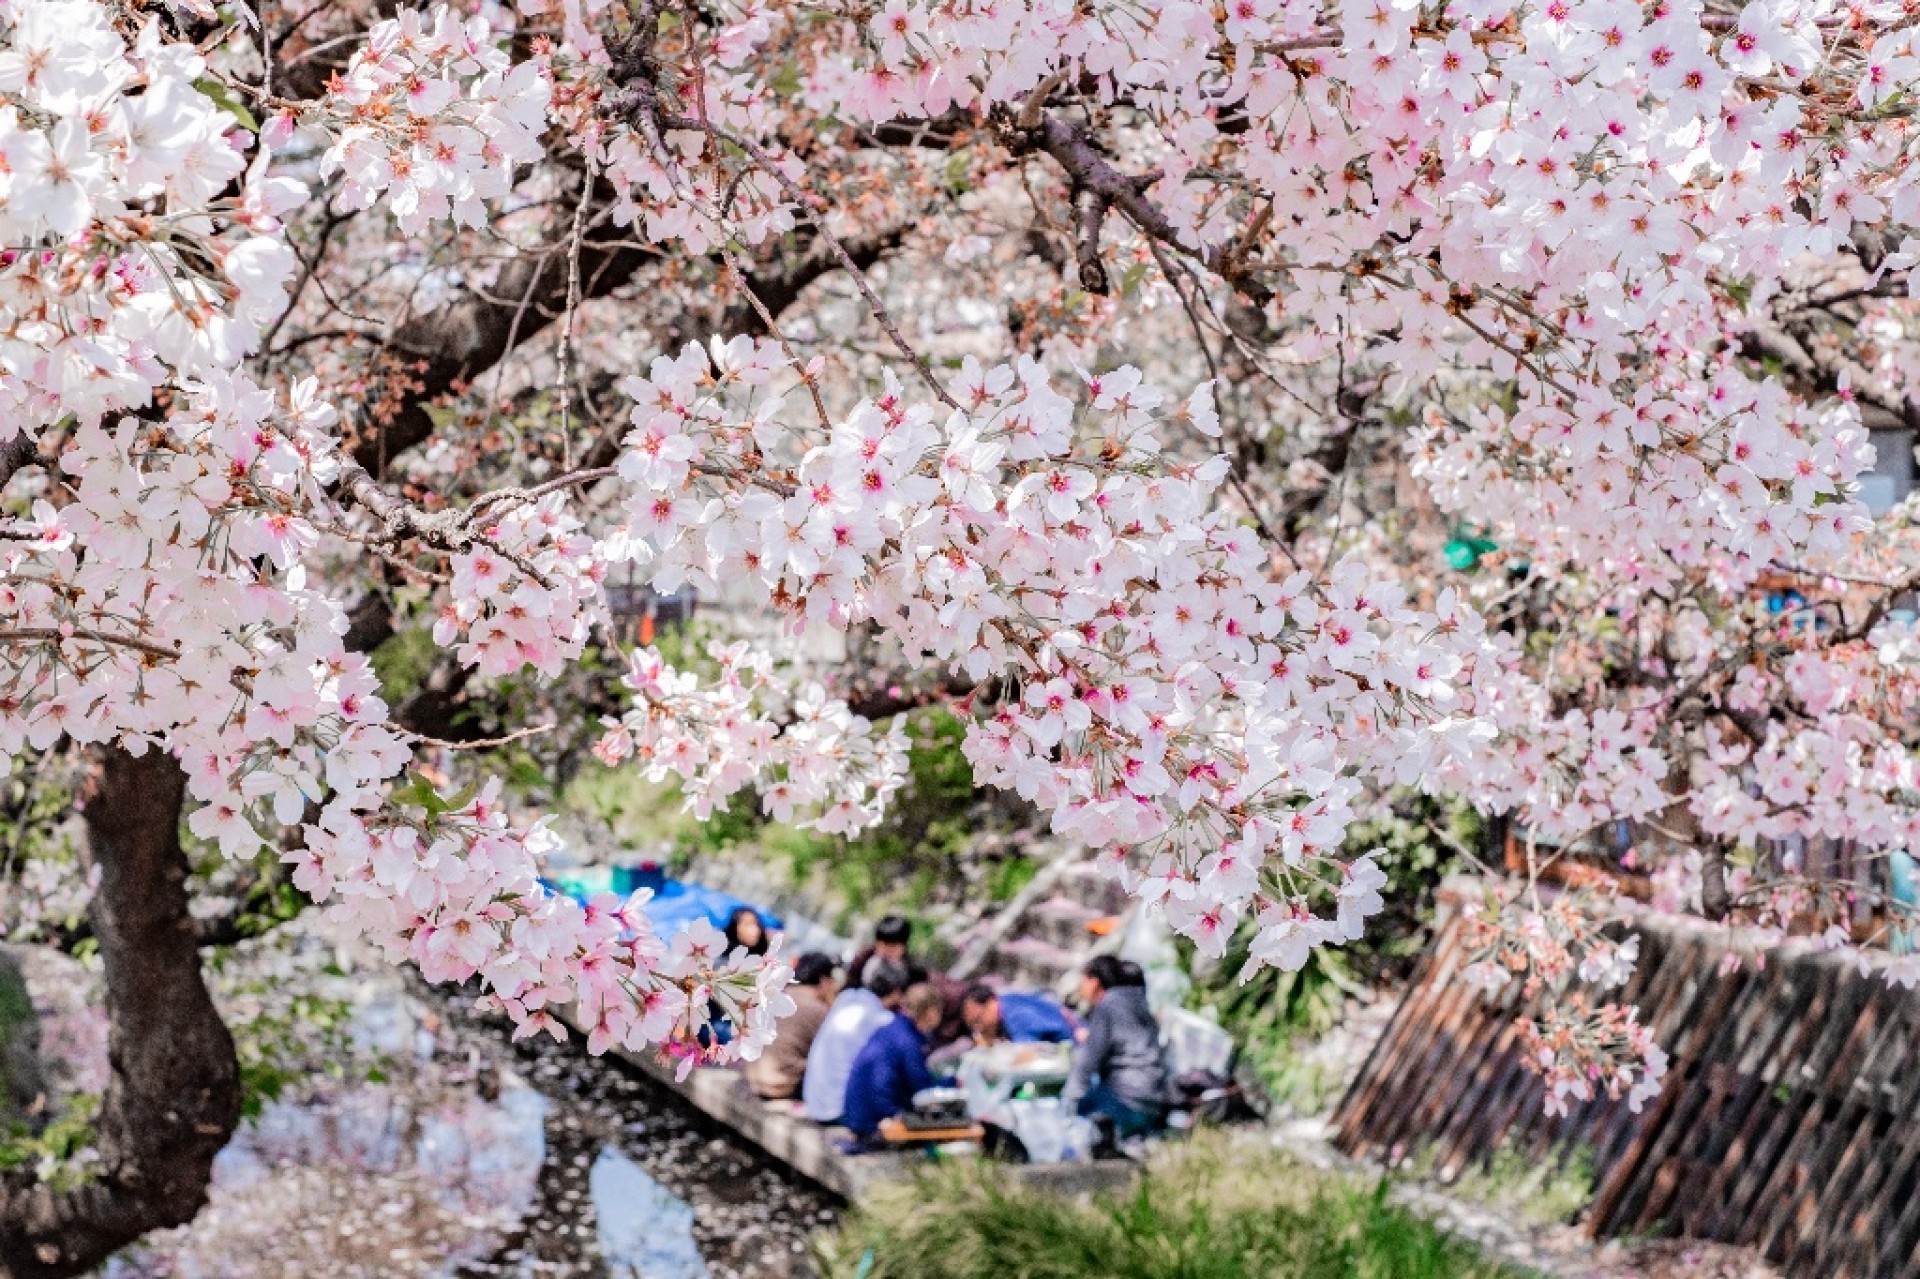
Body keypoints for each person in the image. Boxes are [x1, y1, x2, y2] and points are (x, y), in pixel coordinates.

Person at [1066, 956, 1169, 1140]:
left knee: (1077, 1110)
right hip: (1155, 1098)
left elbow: (1089, 1061)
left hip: (1126, 1099)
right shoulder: (1139, 1002)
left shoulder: (1107, 1007)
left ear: (1094, 982)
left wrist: (1070, 1100)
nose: (1080, 988)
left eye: (1083, 981)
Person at [801, 958, 909, 1123]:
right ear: (896, 992)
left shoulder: (846, 998)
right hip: (838, 1109)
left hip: (814, 1101)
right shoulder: (881, 1020)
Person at [840, 982, 948, 1143]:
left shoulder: (890, 1028)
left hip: (855, 1118)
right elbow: (922, 1090)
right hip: (875, 1125)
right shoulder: (909, 1042)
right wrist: (952, 1083)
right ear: (932, 1013)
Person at [745, 952, 836, 1101]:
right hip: (784, 1083)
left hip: (755, 1078)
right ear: (824, 980)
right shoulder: (817, 1009)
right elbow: (831, 1054)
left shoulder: (776, 996)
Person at [960, 983, 1077, 1046]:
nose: (978, 1028)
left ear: (991, 1003)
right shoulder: (1009, 1001)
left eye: (978, 1020)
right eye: (972, 1025)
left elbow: (1025, 1053)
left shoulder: (1015, 1016)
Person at [843, 914, 925, 989]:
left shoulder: (914, 970)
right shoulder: (861, 962)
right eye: (885, 945)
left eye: (893, 946)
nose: (888, 951)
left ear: (904, 946)